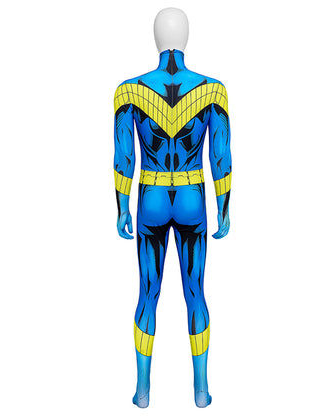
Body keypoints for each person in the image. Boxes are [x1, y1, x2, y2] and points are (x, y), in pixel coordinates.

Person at [113, 7, 232, 408]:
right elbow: (220, 155)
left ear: (156, 38)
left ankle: (142, 391)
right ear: (185, 38)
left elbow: (124, 156)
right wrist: (224, 204)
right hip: (191, 196)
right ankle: (201, 390)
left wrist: (121, 206)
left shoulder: (129, 91)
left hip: (150, 196)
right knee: (195, 292)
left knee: (147, 293)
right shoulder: (213, 91)